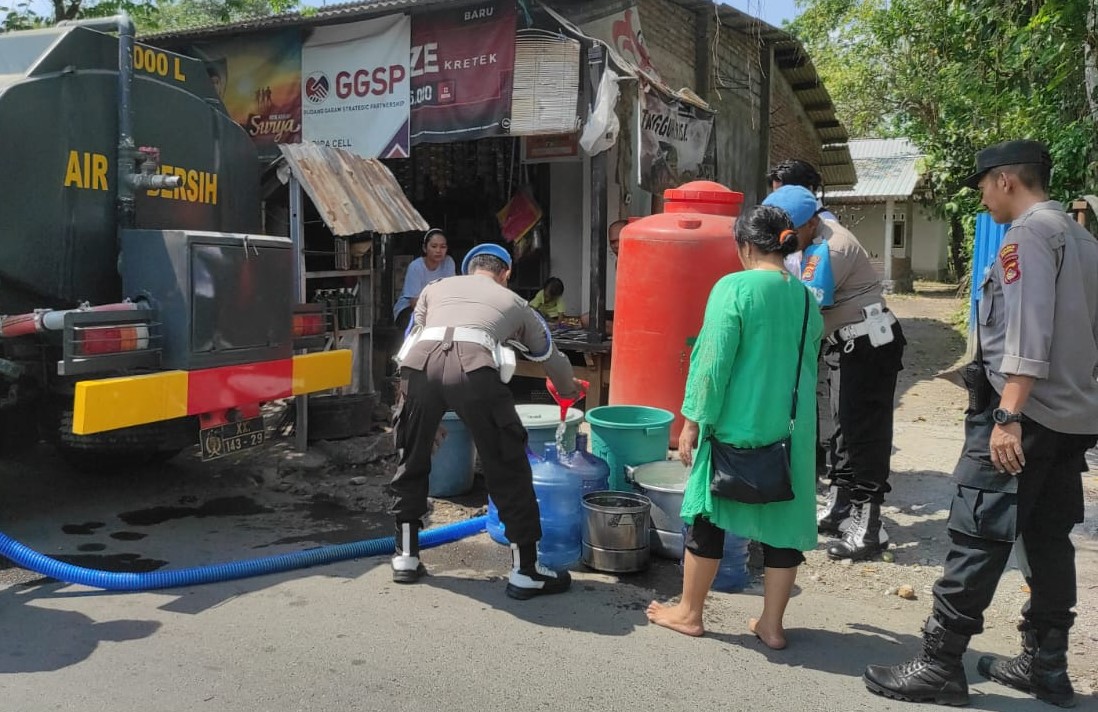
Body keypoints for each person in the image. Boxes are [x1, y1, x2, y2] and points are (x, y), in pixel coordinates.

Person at [863, 140, 1098, 708]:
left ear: (1006, 180)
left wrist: (1007, 415)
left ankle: (941, 664)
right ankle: (1046, 666)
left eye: (984, 186)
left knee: (977, 533)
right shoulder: (1085, 239)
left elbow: (1027, 330)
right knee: (1046, 538)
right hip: (1072, 417)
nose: (985, 198)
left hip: (1026, 415)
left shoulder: (1029, 237)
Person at [646, 205, 823, 648]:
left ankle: (689, 612)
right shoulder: (804, 297)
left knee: (708, 512)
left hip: (738, 421)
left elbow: (712, 360)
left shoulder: (735, 287)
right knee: (783, 522)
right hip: (791, 429)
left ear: (745, 245)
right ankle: (772, 624)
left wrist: (693, 420)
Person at [389, 242, 585, 599]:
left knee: (411, 456)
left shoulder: (435, 290)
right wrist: (569, 390)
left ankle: (405, 556)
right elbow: (551, 359)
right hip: (474, 369)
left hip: (416, 367)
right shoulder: (516, 303)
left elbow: (412, 341)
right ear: (505, 273)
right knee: (507, 463)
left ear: (468, 269)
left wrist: (428, 413)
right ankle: (526, 570)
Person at [762, 185, 906, 561]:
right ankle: (842, 505)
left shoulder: (831, 247)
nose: (783, 241)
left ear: (808, 222)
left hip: (869, 347)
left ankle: (869, 526)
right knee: (842, 431)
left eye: (786, 232)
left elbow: (806, 306)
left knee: (866, 436)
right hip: (848, 345)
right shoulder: (814, 242)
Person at [393, 228, 456, 331]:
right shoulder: (416, 267)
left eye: (443, 247)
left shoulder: (449, 262)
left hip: (438, 308)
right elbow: (414, 302)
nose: (438, 251)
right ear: (425, 248)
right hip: (410, 309)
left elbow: (450, 293)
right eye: (434, 246)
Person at [767, 158, 839, 222]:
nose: (779, 200)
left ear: (809, 189)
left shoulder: (826, 223)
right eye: (776, 194)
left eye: (787, 194)